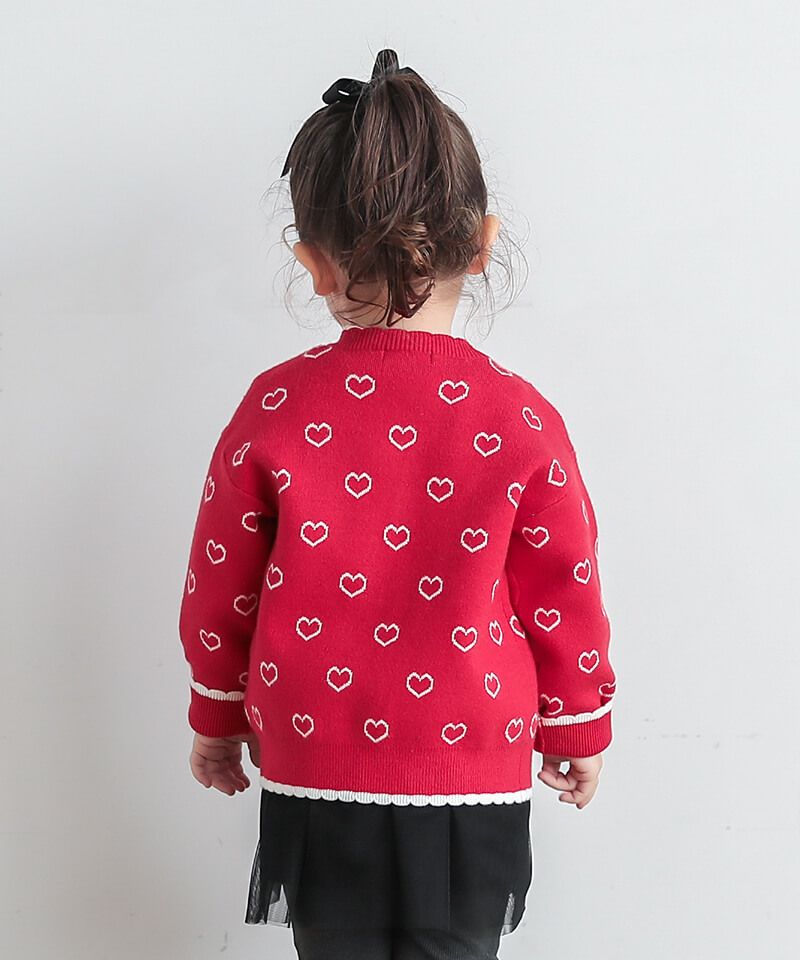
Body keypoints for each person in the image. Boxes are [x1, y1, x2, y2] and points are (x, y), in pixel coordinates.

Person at [177, 48, 617, 960]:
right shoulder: (523, 418)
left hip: (315, 756)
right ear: (483, 244)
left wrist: (216, 716)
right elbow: (564, 586)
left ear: (313, 262)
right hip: (473, 757)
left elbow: (222, 586)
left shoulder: (275, 407)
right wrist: (577, 720)